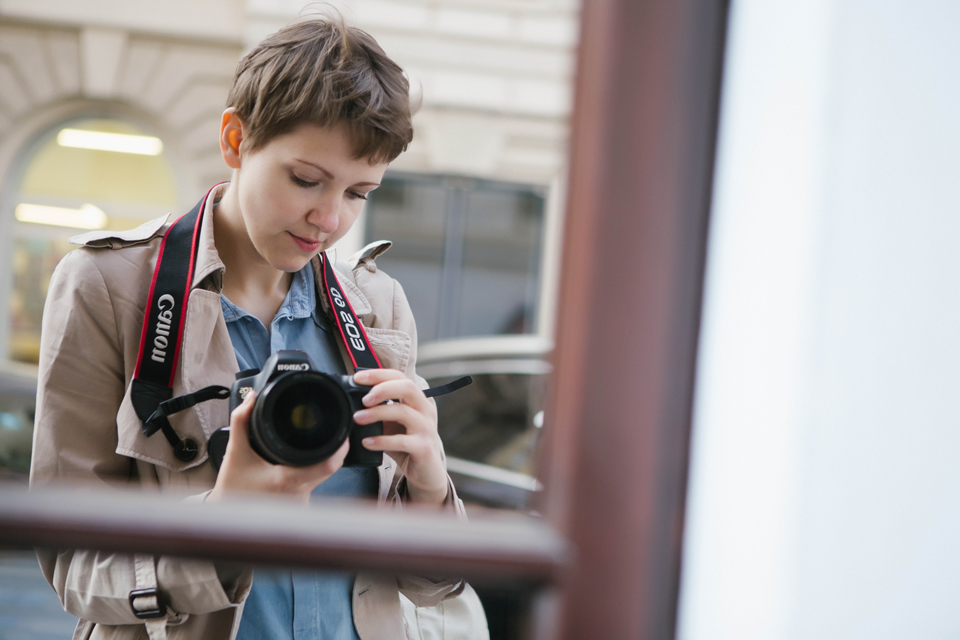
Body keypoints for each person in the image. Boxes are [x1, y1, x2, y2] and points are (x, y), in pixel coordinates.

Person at [29, 17, 468, 640]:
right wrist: (223, 522)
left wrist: (430, 489)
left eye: (359, 193)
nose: (329, 218)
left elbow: (430, 587)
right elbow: (73, 563)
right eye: (306, 180)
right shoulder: (109, 286)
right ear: (235, 139)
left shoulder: (377, 308)